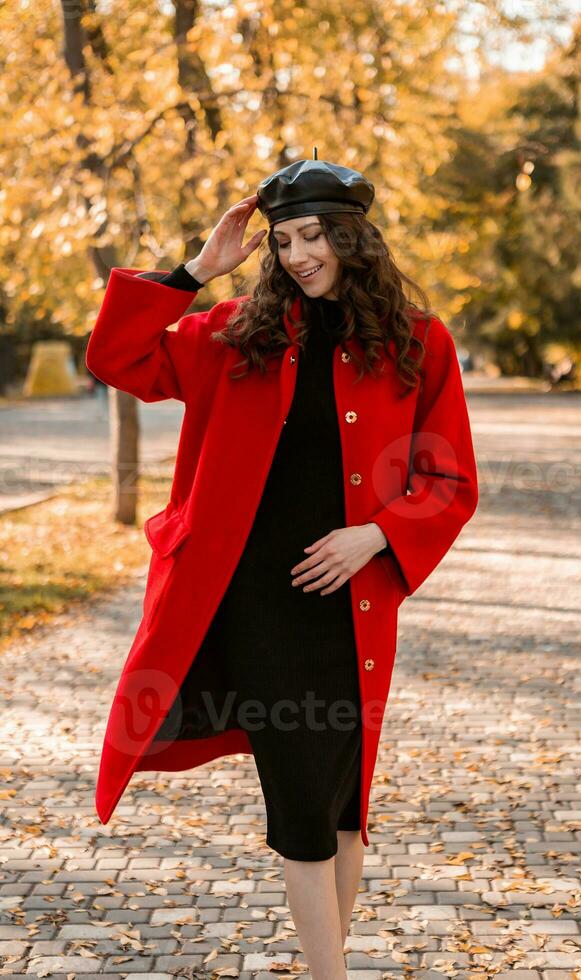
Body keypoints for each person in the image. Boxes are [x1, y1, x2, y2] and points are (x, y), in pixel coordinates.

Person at [87, 153, 478, 980]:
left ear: (353, 238)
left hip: (352, 604)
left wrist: (375, 535)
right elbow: (116, 358)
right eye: (285, 240)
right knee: (301, 801)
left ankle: (331, 966)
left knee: (341, 806)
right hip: (253, 603)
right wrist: (195, 269)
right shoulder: (234, 333)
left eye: (315, 236)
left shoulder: (418, 342)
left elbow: (449, 480)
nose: (299, 255)